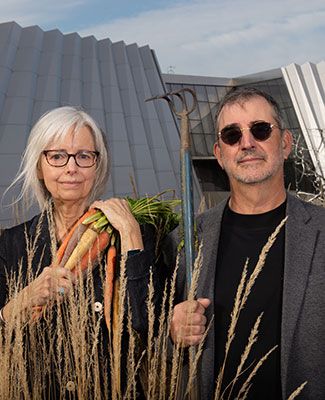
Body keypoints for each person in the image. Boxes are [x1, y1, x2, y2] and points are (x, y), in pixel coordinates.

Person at [169, 87, 325, 399]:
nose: (247, 143)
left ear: (285, 143)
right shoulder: (186, 238)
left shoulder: (321, 230)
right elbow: (162, 347)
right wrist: (174, 333)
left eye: (261, 129)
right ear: (219, 154)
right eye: (231, 135)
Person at [0, 106, 157, 398]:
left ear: (98, 165)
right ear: (39, 166)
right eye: (57, 156)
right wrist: (25, 299)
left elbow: (147, 326)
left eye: (84, 156)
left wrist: (132, 236)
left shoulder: (130, 234)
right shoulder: (13, 244)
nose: (71, 168)